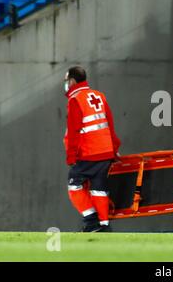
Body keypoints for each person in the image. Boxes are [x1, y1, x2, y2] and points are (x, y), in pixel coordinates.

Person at [64, 66, 121, 232]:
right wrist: (114, 148)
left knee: (74, 185)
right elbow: (109, 124)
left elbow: (74, 131)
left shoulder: (75, 99)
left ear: (72, 81)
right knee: (99, 188)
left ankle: (90, 220)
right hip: (105, 151)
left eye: (67, 81)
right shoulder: (99, 96)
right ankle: (103, 225)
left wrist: (71, 156)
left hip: (89, 153)